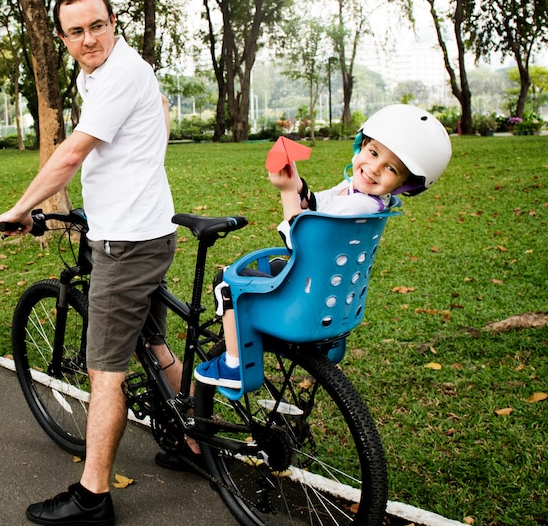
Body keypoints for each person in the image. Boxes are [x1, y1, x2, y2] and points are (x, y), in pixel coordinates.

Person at [0, 0, 186, 526]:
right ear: (62, 37)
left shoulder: (119, 74)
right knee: (154, 341)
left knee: (106, 373)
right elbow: (125, 144)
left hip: (125, 245)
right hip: (145, 229)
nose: (88, 39)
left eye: (96, 26)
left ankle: (93, 496)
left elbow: (71, 154)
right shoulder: (105, 72)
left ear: (113, 23)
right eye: (76, 31)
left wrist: (19, 208)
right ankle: (196, 444)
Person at [194, 104, 453, 388]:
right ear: (361, 145)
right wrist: (298, 186)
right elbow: (317, 205)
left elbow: (299, 235)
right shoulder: (360, 195)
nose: (374, 169)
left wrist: (285, 191)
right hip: (334, 294)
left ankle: (234, 364)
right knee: (277, 267)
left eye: (390, 168)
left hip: (306, 301)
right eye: (373, 153)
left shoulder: (358, 202)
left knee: (228, 281)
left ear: (407, 183)